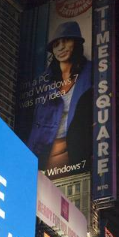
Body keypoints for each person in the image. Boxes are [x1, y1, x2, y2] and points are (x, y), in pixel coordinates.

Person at [27, 21, 93, 172]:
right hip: (43, 155)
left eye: (66, 40)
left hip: (76, 154)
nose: (61, 47)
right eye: (56, 44)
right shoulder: (43, 81)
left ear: (75, 42)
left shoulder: (91, 72)